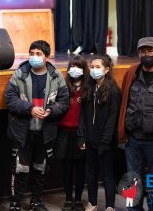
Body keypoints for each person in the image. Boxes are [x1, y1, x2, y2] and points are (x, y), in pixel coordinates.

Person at [5, 40, 69, 211]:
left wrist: (51, 110)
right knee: (19, 169)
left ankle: (36, 201)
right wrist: (30, 109)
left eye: (38, 54)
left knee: (41, 169)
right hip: (22, 132)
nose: (34, 57)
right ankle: (16, 203)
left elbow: (63, 102)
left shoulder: (56, 76)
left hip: (45, 132)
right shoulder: (19, 74)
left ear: (47, 57)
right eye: (32, 53)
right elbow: (10, 99)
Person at [117, 37, 153, 211]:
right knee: (132, 181)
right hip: (132, 140)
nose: (146, 54)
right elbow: (124, 101)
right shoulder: (132, 71)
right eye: (142, 51)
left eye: (150, 50)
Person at [79, 55, 121, 211]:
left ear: (106, 69)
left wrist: (105, 141)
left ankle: (110, 206)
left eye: (98, 67)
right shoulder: (89, 88)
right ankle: (92, 203)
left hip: (106, 143)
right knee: (91, 174)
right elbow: (83, 115)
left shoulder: (113, 91)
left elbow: (112, 118)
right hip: (90, 140)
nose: (94, 70)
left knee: (108, 175)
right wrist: (81, 136)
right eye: (92, 67)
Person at [56, 55, 88, 211]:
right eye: (72, 66)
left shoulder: (88, 88)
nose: (75, 69)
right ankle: (68, 199)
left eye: (78, 66)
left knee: (80, 169)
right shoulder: (63, 85)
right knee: (67, 169)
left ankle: (78, 200)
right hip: (64, 133)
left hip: (80, 133)